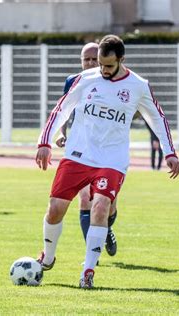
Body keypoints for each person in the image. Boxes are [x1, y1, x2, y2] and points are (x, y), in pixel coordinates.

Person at [35, 34, 179, 289]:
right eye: (100, 65)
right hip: (78, 154)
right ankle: (47, 257)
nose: (102, 70)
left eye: (109, 66)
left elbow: (158, 118)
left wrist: (170, 152)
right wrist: (44, 142)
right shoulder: (85, 79)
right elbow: (61, 109)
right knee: (55, 209)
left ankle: (88, 271)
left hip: (112, 159)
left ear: (121, 60)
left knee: (100, 207)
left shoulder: (138, 85)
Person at [55, 42, 118, 258]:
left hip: (109, 153)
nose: (90, 63)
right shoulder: (73, 81)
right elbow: (64, 109)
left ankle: (106, 228)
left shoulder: (115, 82)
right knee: (84, 199)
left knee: (108, 206)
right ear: (81, 61)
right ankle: (92, 253)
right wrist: (62, 133)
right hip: (81, 150)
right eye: (86, 59)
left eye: (94, 59)